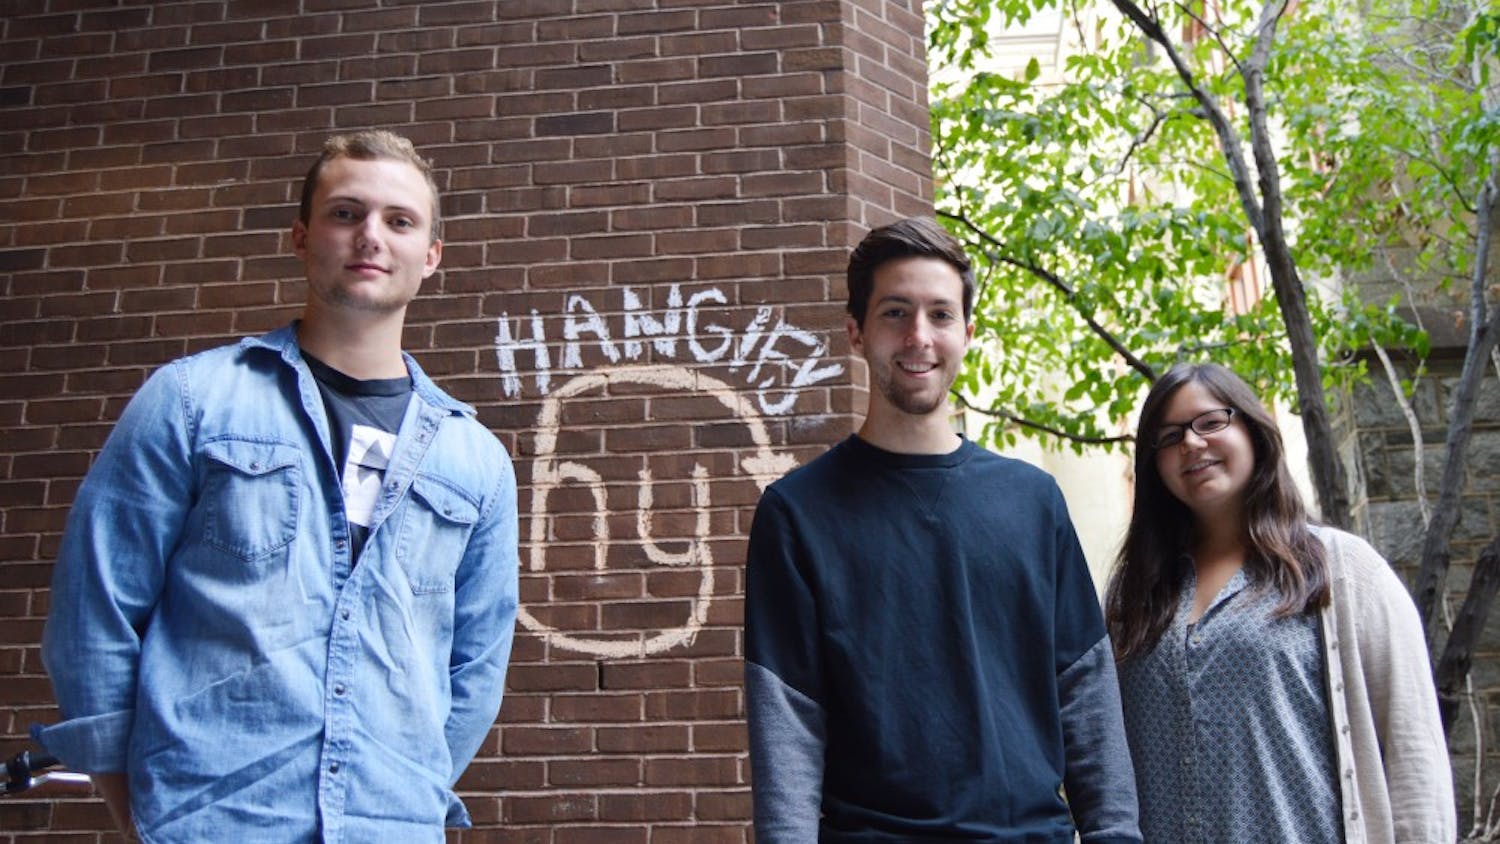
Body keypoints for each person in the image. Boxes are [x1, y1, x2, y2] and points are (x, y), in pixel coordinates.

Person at [35, 130, 520, 842]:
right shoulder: (192, 401)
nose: (371, 238)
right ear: (301, 237)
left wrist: (398, 787)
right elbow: (96, 608)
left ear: (431, 257)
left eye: (399, 220)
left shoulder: (476, 461)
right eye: (346, 214)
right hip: (211, 820)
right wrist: (136, 807)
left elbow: (476, 666)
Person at [744, 217, 1141, 843]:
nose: (919, 337)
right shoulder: (797, 513)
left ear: (968, 331)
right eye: (895, 313)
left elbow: (1085, 692)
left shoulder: (1032, 501)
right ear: (856, 331)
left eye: (940, 315)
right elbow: (788, 721)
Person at [1107, 362, 1456, 843]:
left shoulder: (1341, 570)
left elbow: (1412, 748)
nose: (1190, 443)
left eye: (1211, 422)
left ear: (1253, 429)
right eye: (1167, 437)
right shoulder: (1134, 594)